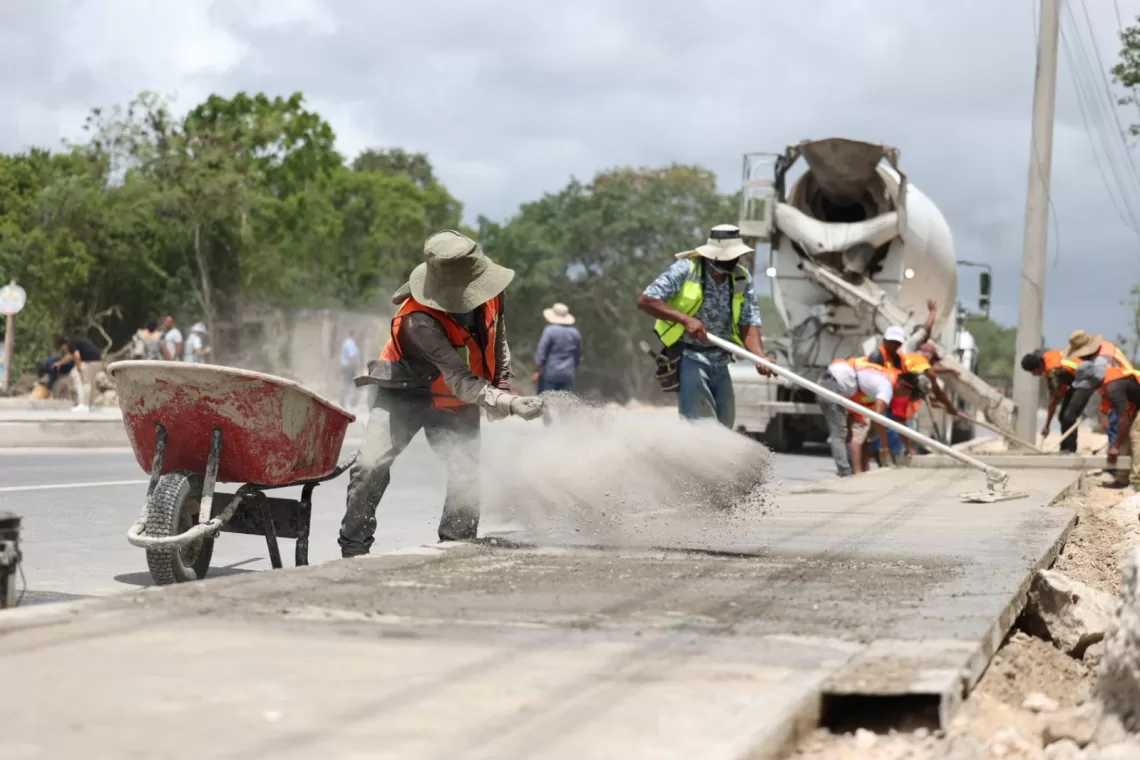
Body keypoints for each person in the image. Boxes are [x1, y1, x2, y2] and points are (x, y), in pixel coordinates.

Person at [339, 230, 545, 557]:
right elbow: (459, 377)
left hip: (457, 400)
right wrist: (508, 403)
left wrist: (503, 381)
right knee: (370, 465)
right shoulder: (417, 319)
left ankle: (456, 548)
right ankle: (353, 549)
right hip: (405, 392)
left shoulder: (494, 294)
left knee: (466, 474)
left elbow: (498, 337)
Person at [636, 224, 772, 428]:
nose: (734, 261)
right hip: (691, 357)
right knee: (702, 425)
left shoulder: (741, 277)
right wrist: (685, 319)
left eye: (736, 256)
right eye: (729, 257)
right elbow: (647, 300)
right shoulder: (686, 269)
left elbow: (749, 320)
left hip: (721, 359)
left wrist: (759, 357)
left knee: (725, 423)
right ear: (714, 255)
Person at [818, 356, 914, 476]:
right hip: (833, 384)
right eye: (904, 394)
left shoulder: (882, 377)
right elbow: (879, 417)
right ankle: (845, 472)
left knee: (844, 433)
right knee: (839, 434)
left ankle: (852, 470)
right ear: (902, 384)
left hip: (835, 382)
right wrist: (884, 449)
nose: (901, 397)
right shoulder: (886, 386)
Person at [1057, 330, 1134, 452]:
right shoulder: (1105, 349)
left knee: (1118, 425)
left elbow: (1103, 385)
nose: (1079, 357)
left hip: (1124, 389)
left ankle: (1116, 462)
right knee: (1120, 428)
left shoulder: (1100, 363)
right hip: (1122, 386)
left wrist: (1098, 410)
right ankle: (1117, 460)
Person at [1070, 361, 1140, 491]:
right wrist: (1103, 415)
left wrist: (1115, 447)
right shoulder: (1107, 381)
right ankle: (1122, 479)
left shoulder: (1113, 386)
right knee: (1125, 438)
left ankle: (1137, 483)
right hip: (1136, 406)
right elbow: (1110, 407)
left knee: (1136, 435)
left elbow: (1123, 418)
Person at [1020, 348, 1081, 452]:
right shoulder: (1047, 359)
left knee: (1068, 416)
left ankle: (1069, 450)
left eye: (1033, 371)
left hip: (1084, 380)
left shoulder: (1053, 371)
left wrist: (1047, 426)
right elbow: (1058, 395)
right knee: (1063, 416)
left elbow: (1054, 401)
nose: (1033, 375)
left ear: (1038, 366)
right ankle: (1065, 448)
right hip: (1075, 381)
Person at [532, 302, 582, 394]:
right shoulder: (575, 333)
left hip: (550, 373)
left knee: (545, 402)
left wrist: (537, 370)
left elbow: (541, 352)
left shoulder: (550, 331)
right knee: (564, 404)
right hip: (568, 374)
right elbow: (577, 356)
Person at [53, 335, 103, 412]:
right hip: (98, 361)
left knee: (86, 383)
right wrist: (60, 363)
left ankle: (84, 406)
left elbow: (76, 355)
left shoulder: (71, 344)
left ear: (63, 346)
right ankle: (91, 405)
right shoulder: (76, 341)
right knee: (91, 383)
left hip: (89, 362)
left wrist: (79, 367)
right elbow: (71, 356)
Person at [339, 330, 363, 409]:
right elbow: (352, 357)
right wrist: (357, 368)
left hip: (348, 367)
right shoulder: (350, 343)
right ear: (353, 335)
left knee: (348, 385)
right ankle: (346, 403)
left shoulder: (348, 343)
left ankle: (346, 403)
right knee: (349, 385)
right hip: (349, 368)